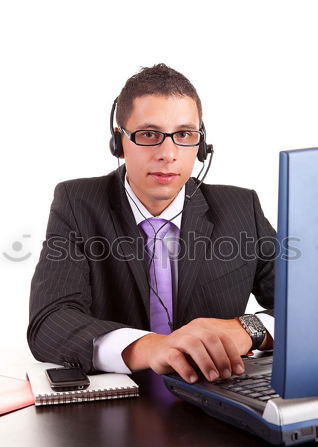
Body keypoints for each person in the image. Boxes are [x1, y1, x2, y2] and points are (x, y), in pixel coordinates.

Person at [27, 63, 275, 385]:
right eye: (148, 134)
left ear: (201, 144)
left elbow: (306, 303)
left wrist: (247, 329)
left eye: (184, 134)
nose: (168, 153)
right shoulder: (77, 203)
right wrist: (149, 347)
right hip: (119, 413)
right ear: (119, 142)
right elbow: (49, 322)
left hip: (220, 393)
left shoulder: (241, 208)